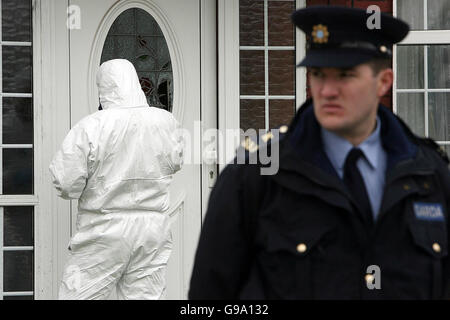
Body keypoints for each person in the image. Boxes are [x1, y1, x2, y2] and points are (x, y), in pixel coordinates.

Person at [189, 6, 450, 299]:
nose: (326, 90)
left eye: (344, 75)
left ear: (383, 82)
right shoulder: (256, 175)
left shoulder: (429, 175)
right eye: (317, 74)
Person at [49, 59, 183, 300]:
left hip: (103, 229)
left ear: (104, 88)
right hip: (152, 230)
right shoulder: (166, 122)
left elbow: (66, 182)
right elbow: (176, 162)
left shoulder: (91, 126)